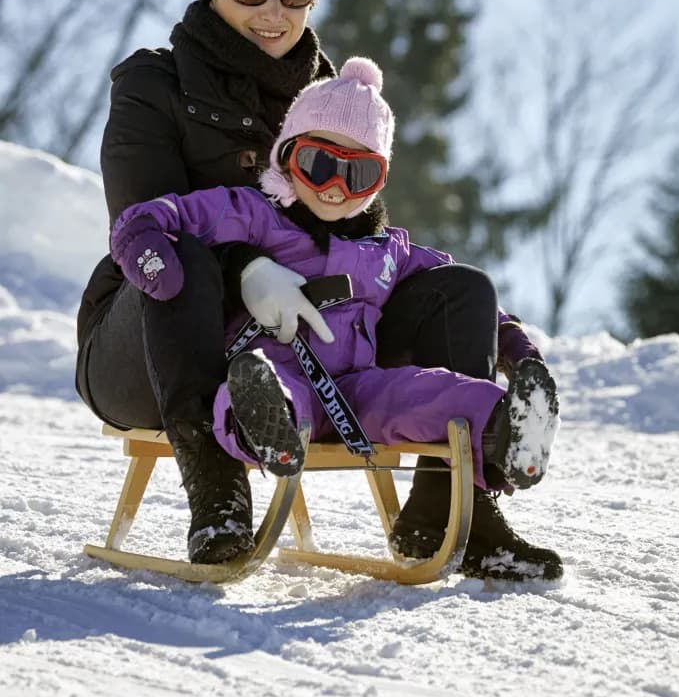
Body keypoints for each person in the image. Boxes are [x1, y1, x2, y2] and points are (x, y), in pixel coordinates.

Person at [76, 0, 563, 580]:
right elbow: (145, 223)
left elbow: (363, 229)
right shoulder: (154, 83)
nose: (274, 11)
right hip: (154, 341)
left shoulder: (332, 95)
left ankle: (455, 508)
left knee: (453, 287)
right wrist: (247, 266)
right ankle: (216, 493)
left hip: (305, 341)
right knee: (182, 256)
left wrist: (503, 333)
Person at [109, 58, 561, 568]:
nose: (335, 187)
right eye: (318, 165)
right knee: (261, 390)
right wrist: (152, 261)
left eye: (360, 173)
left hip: (357, 388)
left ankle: (507, 428)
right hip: (281, 372)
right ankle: (265, 423)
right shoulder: (251, 212)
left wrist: (521, 354)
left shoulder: (388, 249)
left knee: (427, 391)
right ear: (285, 156)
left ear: (379, 179)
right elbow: (149, 218)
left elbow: (485, 307)